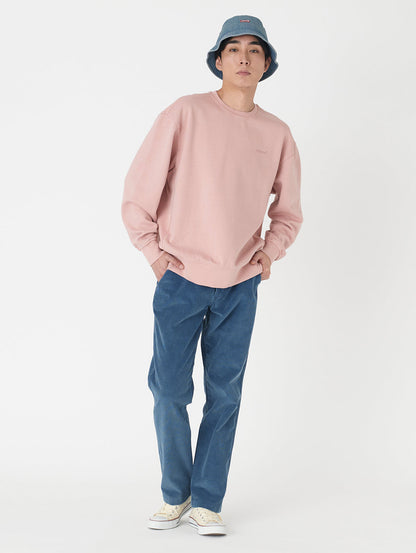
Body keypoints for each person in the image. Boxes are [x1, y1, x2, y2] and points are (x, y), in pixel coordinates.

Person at [121, 14, 303, 536]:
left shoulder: (277, 133)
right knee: (169, 391)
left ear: (266, 64)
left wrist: (268, 255)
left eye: (255, 50)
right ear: (219, 60)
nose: (244, 58)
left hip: (240, 284)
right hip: (179, 277)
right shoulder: (185, 113)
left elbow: (288, 212)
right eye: (234, 49)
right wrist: (154, 255)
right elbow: (138, 192)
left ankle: (206, 500)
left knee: (225, 396)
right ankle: (174, 494)